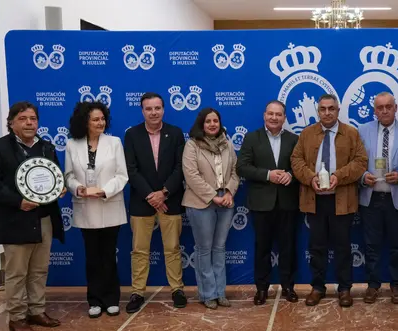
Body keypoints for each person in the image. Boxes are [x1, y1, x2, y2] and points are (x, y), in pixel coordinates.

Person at [0, 102, 64, 331]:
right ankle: (17, 316)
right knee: (16, 271)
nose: (29, 123)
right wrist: (17, 201)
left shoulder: (46, 147)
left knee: (39, 269)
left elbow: (54, 175)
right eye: (23, 118)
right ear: (11, 122)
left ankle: (37, 310)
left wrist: (59, 188)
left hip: (43, 217)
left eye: (33, 118)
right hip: (15, 219)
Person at [291, 94, 368, 308]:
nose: (327, 112)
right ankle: (317, 288)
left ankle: (344, 289)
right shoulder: (306, 134)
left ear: (338, 110)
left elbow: (361, 161)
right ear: (318, 111)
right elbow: (295, 160)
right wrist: (310, 178)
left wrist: (339, 176)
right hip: (314, 200)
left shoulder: (351, 133)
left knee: (343, 247)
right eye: (323, 109)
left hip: (342, 200)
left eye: (331, 109)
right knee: (317, 246)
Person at [64, 102, 129, 318]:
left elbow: (122, 175)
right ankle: (94, 300)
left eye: (102, 119)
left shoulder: (114, 142)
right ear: (85, 122)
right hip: (85, 208)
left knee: (108, 256)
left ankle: (111, 299)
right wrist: (79, 188)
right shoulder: (72, 144)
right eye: (95, 119)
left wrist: (104, 191)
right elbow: (68, 176)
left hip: (109, 205)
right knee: (92, 257)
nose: (100, 122)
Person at [124, 92, 187, 313]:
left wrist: (164, 193)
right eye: (149, 109)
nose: (153, 112)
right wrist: (151, 195)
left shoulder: (176, 133)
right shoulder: (132, 135)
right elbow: (131, 170)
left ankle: (177, 289)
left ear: (163, 109)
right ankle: (137, 292)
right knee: (140, 251)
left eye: (157, 108)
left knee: (172, 248)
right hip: (142, 202)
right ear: (142, 111)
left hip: (170, 201)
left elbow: (181, 168)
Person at [237, 100, 299, 305]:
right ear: (264, 115)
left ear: (284, 117)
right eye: (271, 114)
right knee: (262, 247)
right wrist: (267, 175)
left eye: (278, 114)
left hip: (287, 203)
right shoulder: (251, 138)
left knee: (288, 247)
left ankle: (289, 287)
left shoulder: (294, 139)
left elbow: (301, 167)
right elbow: (242, 167)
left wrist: (291, 175)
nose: (274, 118)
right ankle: (261, 289)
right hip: (262, 203)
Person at [358, 92, 398, 305]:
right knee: (371, 245)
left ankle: (396, 285)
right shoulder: (362, 131)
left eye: (388, 107)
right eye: (380, 107)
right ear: (374, 110)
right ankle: (373, 285)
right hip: (370, 197)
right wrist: (363, 177)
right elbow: (355, 162)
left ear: (395, 108)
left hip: (396, 197)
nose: (384, 111)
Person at [182, 108, 239, 309]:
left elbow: (235, 171)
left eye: (216, 120)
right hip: (201, 203)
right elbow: (191, 175)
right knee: (204, 249)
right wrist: (213, 196)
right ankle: (207, 294)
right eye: (208, 121)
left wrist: (230, 192)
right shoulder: (192, 145)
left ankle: (220, 293)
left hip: (226, 202)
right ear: (201, 124)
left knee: (219, 248)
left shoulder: (227, 143)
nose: (213, 124)